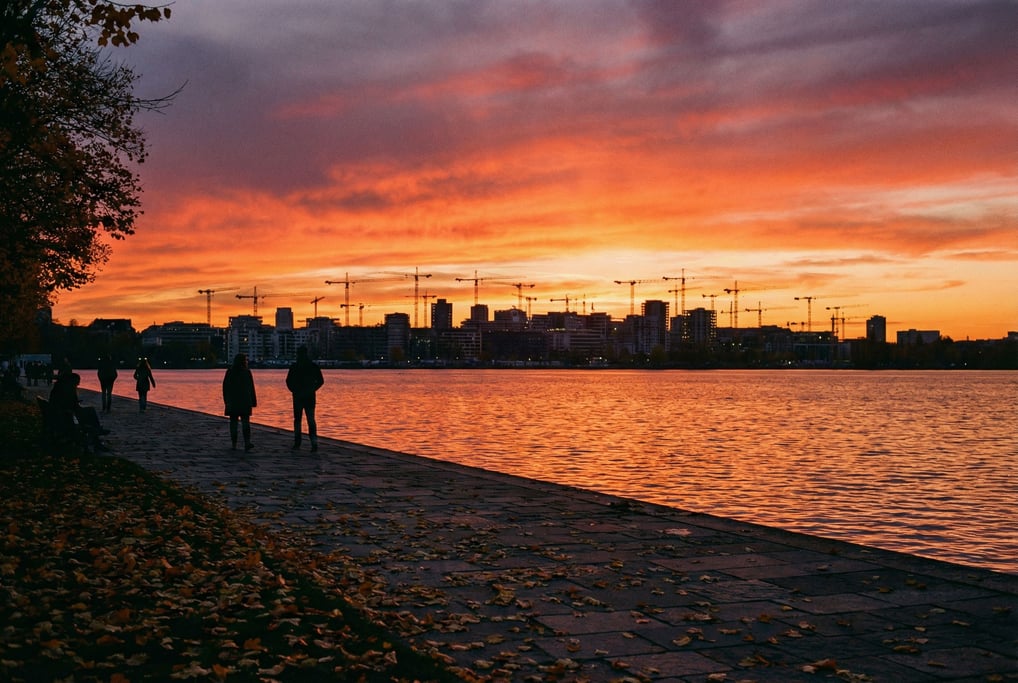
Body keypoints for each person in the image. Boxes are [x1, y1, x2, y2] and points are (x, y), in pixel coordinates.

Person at [48, 372, 110, 452]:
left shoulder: (60, 387)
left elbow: (67, 403)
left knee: (90, 410)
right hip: (64, 416)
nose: (79, 383)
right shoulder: (68, 389)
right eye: (78, 381)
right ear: (72, 381)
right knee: (90, 412)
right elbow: (73, 406)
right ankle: (97, 434)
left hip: (60, 415)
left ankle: (97, 432)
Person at [285, 346, 325, 452]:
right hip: (309, 397)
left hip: (298, 397)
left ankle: (297, 443)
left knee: (298, 420)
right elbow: (321, 381)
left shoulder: (294, 367)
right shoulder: (313, 366)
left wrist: (294, 390)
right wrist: (313, 389)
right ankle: (313, 443)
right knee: (311, 420)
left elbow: (288, 381)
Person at [223, 353, 257, 452]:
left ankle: (234, 444)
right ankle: (247, 442)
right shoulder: (247, 372)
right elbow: (251, 388)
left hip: (233, 401)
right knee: (245, 422)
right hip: (245, 401)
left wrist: (226, 400)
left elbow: (225, 387)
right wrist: (253, 401)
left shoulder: (229, 372)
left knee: (233, 423)